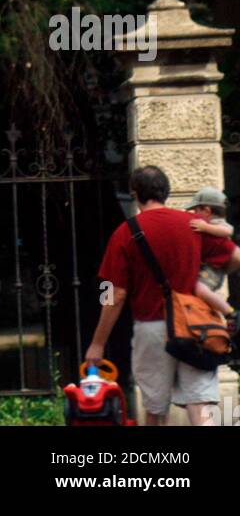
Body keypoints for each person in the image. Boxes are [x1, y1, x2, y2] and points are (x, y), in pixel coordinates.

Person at [85, 165, 220, 426]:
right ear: (166, 192)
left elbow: (113, 292)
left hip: (152, 328)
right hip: (195, 326)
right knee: (200, 403)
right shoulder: (194, 225)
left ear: (135, 194)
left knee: (155, 408)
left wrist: (98, 341)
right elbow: (231, 257)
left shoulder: (125, 232)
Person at [187, 185, 240, 321]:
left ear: (207, 210)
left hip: (214, 269)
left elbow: (228, 231)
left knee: (199, 289)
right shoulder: (208, 223)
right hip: (212, 267)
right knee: (202, 292)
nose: (194, 213)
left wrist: (206, 227)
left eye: (195, 210)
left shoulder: (216, 223)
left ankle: (230, 313)